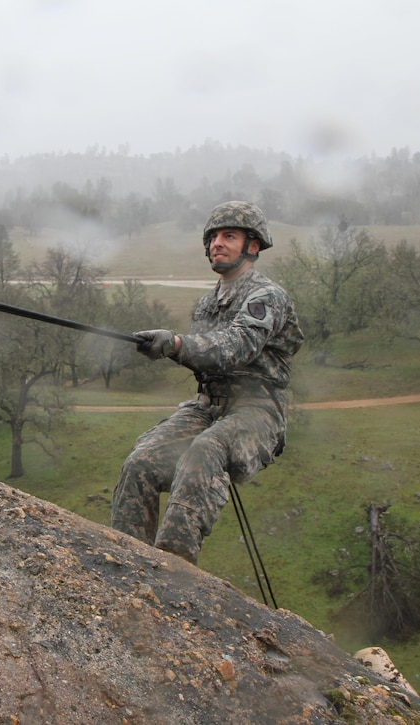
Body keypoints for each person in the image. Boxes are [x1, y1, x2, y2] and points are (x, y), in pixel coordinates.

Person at [110, 201, 304, 564]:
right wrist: (170, 347)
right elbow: (207, 361)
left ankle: (174, 568)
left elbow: (237, 346)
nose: (217, 243)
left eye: (229, 236)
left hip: (257, 413)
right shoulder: (207, 304)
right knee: (141, 461)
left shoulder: (267, 297)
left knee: (205, 450)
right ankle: (127, 561)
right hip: (208, 407)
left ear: (253, 246)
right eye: (213, 237)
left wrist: (178, 344)